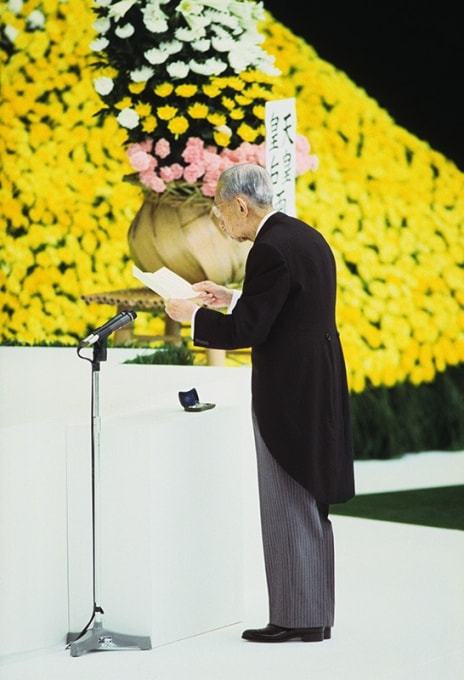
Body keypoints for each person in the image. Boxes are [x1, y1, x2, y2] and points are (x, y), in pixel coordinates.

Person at [165, 163, 355, 643]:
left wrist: (192, 317)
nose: (222, 225)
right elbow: (285, 305)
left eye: (221, 214)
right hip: (319, 378)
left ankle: (295, 618)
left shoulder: (268, 250)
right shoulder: (302, 236)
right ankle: (315, 614)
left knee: (286, 495)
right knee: (311, 498)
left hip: (288, 389)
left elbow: (250, 331)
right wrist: (230, 297)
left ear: (240, 205)